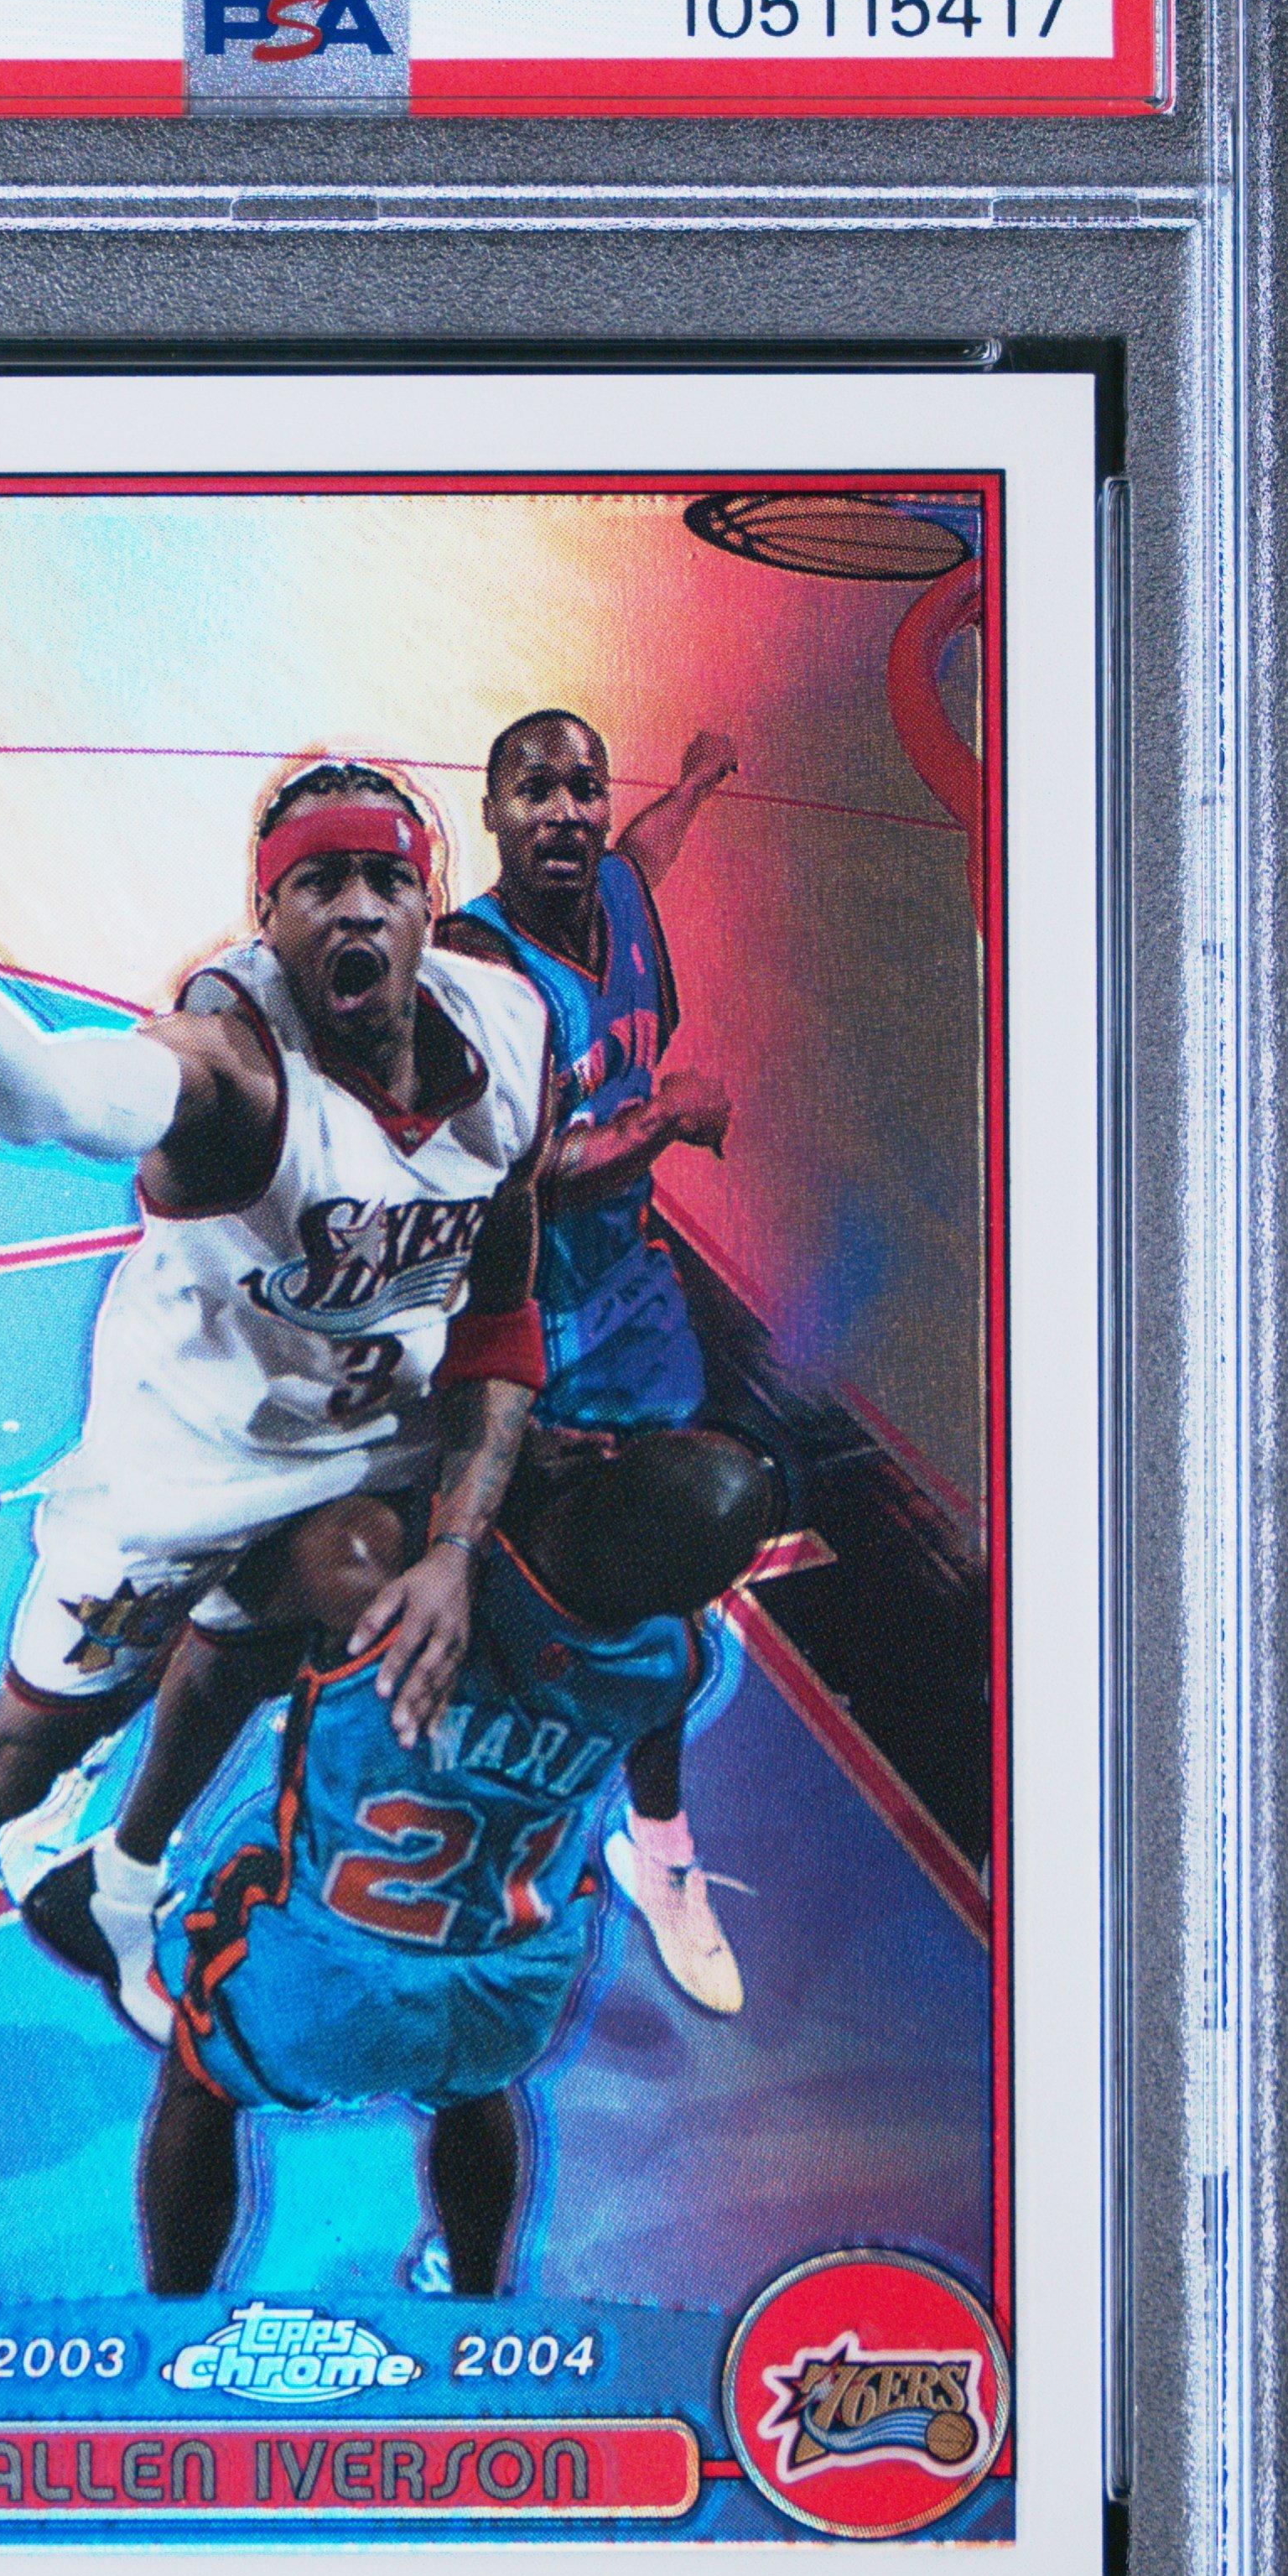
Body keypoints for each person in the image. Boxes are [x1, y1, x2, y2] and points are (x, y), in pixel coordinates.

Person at [0, 754, 553, 2242]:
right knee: (17, 1746)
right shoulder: (227, 1068)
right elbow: (34, 1094)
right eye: (317, 883)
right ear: (269, 919)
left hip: (353, 1454)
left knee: (297, 1627)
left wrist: (455, 1544)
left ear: (424, 904)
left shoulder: (505, 1032)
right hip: (176, 1464)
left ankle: (122, 1876)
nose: (356, 908)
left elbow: (502, 1300)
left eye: (385, 877)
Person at [139, 1428, 776, 2296]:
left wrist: (485, 1464)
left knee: (199, 2078)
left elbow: (220, 1575)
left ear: (597, 1470)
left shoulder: (372, 1561)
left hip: (328, 1978)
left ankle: (173, 2307)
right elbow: (652, 1773)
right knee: (476, 2088)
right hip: (509, 1988)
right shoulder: (680, 1655)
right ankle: (478, 2290)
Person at [439, 711, 761, 2014]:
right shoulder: (477, 969)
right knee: (527, 1610)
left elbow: (645, 852)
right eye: (536, 790)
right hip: (516, 1323)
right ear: (494, 813)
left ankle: (658, 1849)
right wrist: (663, 1122)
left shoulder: (616, 887)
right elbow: (519, 1182)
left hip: (628, 1301)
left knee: (664, 1587)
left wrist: (695, 784)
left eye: (584, 787)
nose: (566, 811)